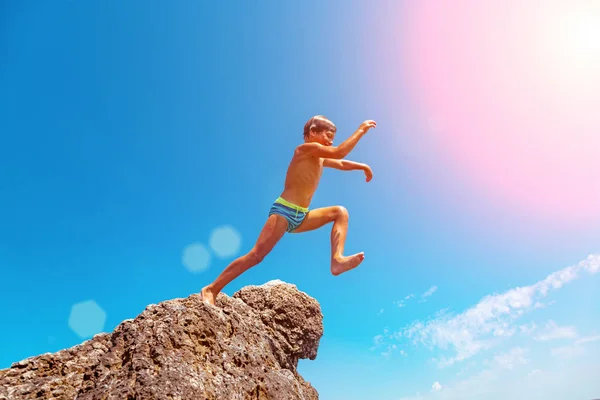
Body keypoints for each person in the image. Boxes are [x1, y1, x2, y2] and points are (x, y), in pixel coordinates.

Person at [200, 115, 376, 305]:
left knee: (340, 212)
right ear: (312, 132)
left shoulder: (320, 156)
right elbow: (339, 153)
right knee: (256, 255)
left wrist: (362, 166)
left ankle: (337, 260)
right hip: (284, 211)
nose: (330, 140)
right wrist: (361, 130)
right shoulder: (304, 149)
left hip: (302, 216)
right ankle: (212, 288)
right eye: (327, 135)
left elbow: (340, 163)